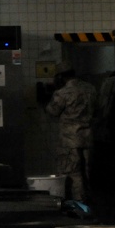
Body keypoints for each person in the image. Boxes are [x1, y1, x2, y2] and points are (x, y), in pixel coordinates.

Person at [44, 63, 98, 201]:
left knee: (73, 174)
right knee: (89, 174)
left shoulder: (62, 93)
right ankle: (95, 206)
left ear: (61, 77)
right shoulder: (90, 89)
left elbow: (52, 111)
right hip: (89, 138)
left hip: (70, 140)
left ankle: (80, 208)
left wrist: (47, 97)